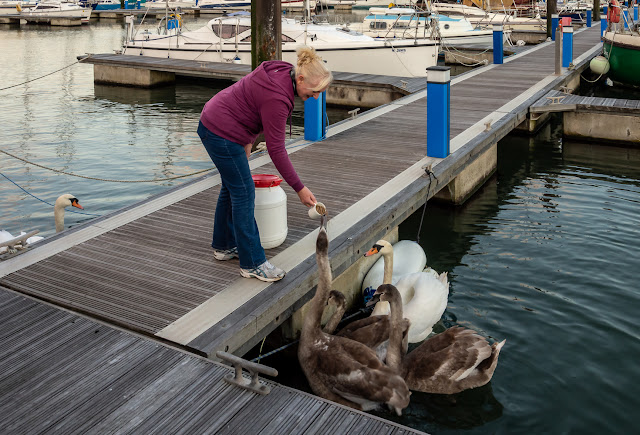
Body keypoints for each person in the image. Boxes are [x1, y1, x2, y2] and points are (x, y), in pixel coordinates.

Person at [198, 47, 333, 282]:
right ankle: (252, 263)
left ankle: (224, 246)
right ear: (300, 78)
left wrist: (247, 140)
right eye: (314, 91)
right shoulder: (278, 97)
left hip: (216, 122)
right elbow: (277, 150)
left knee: (232, 188)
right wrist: (299, 188)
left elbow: (251, 102)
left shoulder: (281, 71)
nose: (315, 97)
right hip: (220, 132)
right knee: (244, 193)